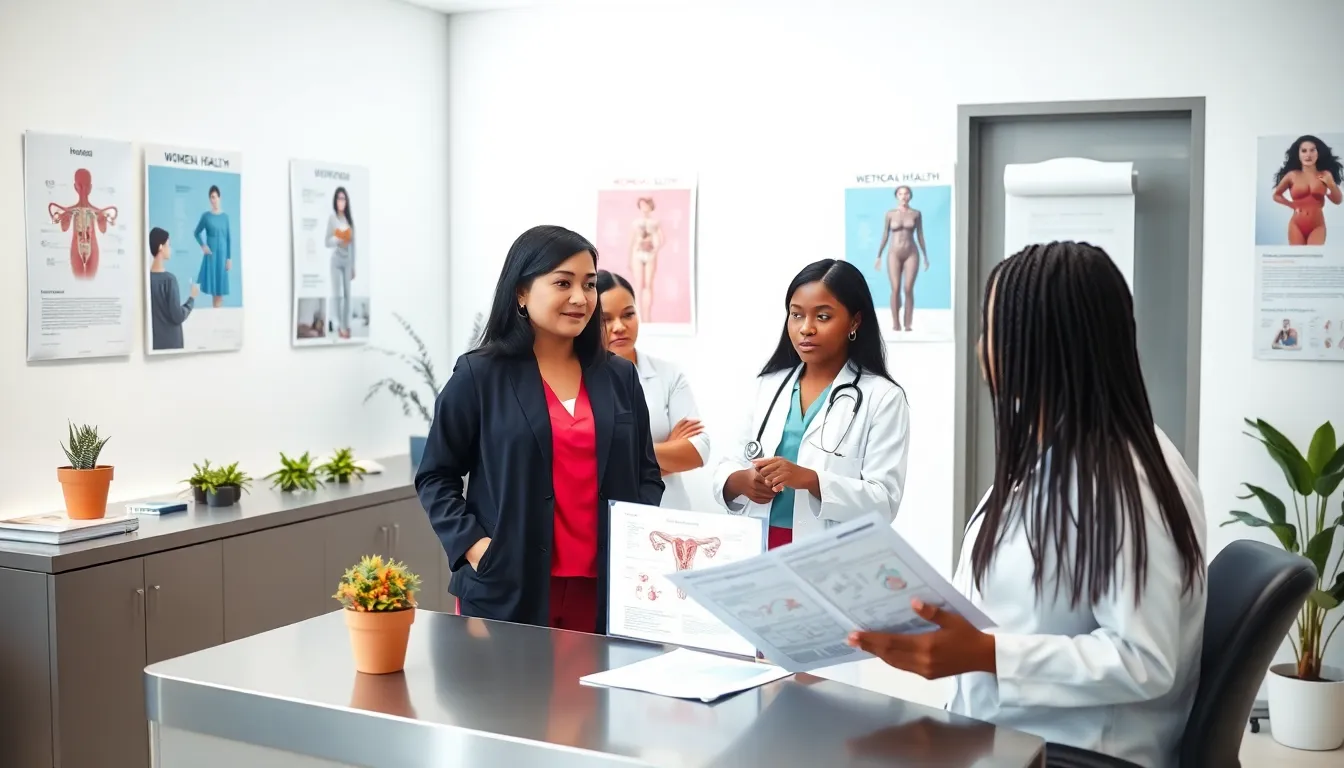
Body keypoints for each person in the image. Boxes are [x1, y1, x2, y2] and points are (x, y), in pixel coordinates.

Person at [848, 241, 1207, 768]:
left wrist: (985, 653)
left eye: (993, 332)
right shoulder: (1065, 449)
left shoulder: (1117, 477)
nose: (981, 349)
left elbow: (1142, 659)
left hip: (1069, 752)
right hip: (1010, 731)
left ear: (1040, 344)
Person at [416, 225, 663, 634]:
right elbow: (435, 475)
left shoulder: (619, 376)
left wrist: (632, 543)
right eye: (562, 283)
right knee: (508, 698)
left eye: (588, 284)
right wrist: (475, 547)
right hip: (507, 584)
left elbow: (646, 474)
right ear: (521, 293)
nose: (581, 299)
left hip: (603, 589)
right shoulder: (480, 374)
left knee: (592, 698)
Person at [711, 259, 910, 549]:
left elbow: (884, 501)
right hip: (759, 544)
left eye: (823, 317)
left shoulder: (882, 397)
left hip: (830, 553)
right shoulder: (767, 386)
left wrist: (809, 479)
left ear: (854, 321)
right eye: (796, 315)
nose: (806, 328)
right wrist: (742, 481)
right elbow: (724, 466)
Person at [598, 270, 709, 510]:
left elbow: (699, 451)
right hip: (609, 516)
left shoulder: (668, 374)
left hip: (669, 511)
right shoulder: (580, 380)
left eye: (628, 314)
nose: (619, 326)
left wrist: (626, 453)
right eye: (606, 319)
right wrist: (666, 453)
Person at [1271, 135, 1343, 246]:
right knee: (1298, 259)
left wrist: (1331, 184)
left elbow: (1338, 201)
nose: (1308, 155)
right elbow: (1276, 195)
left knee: (1314, 259)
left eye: (1312, 150)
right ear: (1298, 154)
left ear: (1318, 153)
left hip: (1317, 225)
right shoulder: (1292, 175)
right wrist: (1291, 205)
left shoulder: (1325, 175)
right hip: (1296, 225)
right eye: (1304, 151)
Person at [874, 185, 928, 332]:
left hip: (911, 252)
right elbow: (885, 235)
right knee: (896, 288)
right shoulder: (890, 214)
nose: (903, 196)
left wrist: (925, 256)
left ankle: (908, 323)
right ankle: (896, 322)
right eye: (900, 193)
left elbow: (920, 235)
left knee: (908, 288)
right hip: (894, 253)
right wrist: (879, 255)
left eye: (906, 193)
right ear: (896, 196)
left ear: (910, 196)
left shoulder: (916, 214)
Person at [147, 227, 197, 351]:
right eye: (168, 245)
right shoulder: (169, 280)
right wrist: (192, 299)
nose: (170, 249)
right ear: (160, 247)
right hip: (172, 344)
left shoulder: (146, 279)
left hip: (154, 344)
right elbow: (178, 316)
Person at [325, 187, 357, 338]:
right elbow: (327, 242)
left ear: (346, 201)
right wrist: (339, 238)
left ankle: (346, 325)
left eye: (343, 198)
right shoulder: (332, 219)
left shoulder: (349, 221)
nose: (341, 201)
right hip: (336, 261)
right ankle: (338, 326)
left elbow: (353, 245)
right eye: (338, 198)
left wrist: (353, 266)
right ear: (335, 201)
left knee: (348, 295)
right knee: (337, 294)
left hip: (347, 261)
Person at [194, 185, 232, 308]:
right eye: (211, 197)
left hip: (222, 257)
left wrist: (229, 258)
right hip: (212, 256)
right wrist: (203, 246)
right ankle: (215, 318)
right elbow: (196, 233)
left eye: (215, 197)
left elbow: (228, 238)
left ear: (219, 198)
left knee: (220, 292)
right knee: (214, 291)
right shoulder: (206, 216)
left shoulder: (225, 217)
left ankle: (218, 317)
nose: (213, 200)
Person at [628, 197, 661, 317]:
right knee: (638, 284)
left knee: (648, 284)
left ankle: (647, 314)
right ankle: (638, 313)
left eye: (646, 205)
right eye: (642, 205)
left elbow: (661, 239)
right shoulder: (636, 223)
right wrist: (629, 259)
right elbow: (631, 241)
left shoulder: (655, 223)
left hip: (650, 254)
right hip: (637, 254)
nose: (644, 208)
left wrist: (654, 248)